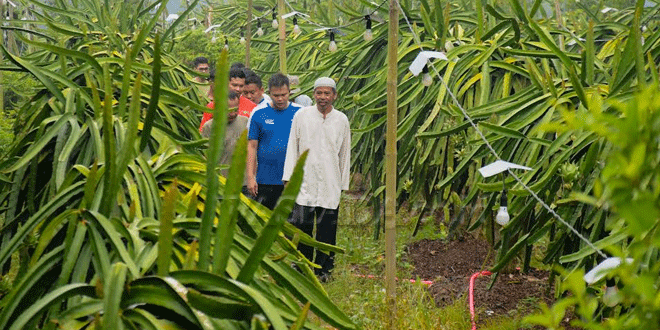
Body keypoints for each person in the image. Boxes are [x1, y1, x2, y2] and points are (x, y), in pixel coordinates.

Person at [282, 77, 350, 280]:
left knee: (327, 228)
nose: (323, 97)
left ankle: (324, 269)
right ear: (314, 95)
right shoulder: (301, 116)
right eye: (319, 93)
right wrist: (289, 178)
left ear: (334, 96)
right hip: (305, 180)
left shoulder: (341, 120)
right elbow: (292, 148)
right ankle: (302, 265)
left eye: (327, 93)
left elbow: (345, 153)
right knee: (302, 227)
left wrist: (342, 184)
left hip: (330, 181)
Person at [246, 73, 301, 209]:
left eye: (284, 94)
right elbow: (251, 146)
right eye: (276, 95)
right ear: (269, 93)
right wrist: (250, 177)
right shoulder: (259, 114)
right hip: (265, 180)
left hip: (292, 180)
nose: (280, 99)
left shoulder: (300, 113)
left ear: (289, 92)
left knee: (292, 223)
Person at [200, 91, 248, 180]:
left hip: (244, 182)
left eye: (235, 110)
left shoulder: (246, 122)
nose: (233, 114)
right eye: (228, 110)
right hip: (221, 182)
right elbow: (204, 155)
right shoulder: (209, 127)